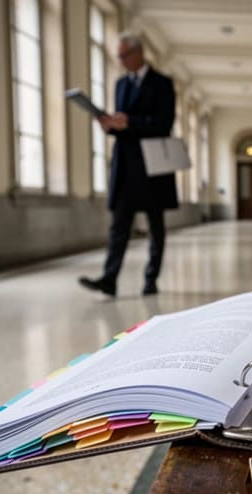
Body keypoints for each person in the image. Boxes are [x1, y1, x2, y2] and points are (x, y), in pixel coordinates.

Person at [79, 32, 177, 297]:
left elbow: (164, 123)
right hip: (125, 165)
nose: (121, 61)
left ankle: (151, 278)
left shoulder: (162, 83)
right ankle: (109, 279)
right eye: (118, 56)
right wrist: (110, 126)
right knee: (119, 225)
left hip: (152, 165)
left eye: (124, 55)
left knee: (155, 226)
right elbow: (122, 126)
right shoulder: (121, 84)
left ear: (138, 53)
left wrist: (130, 122)